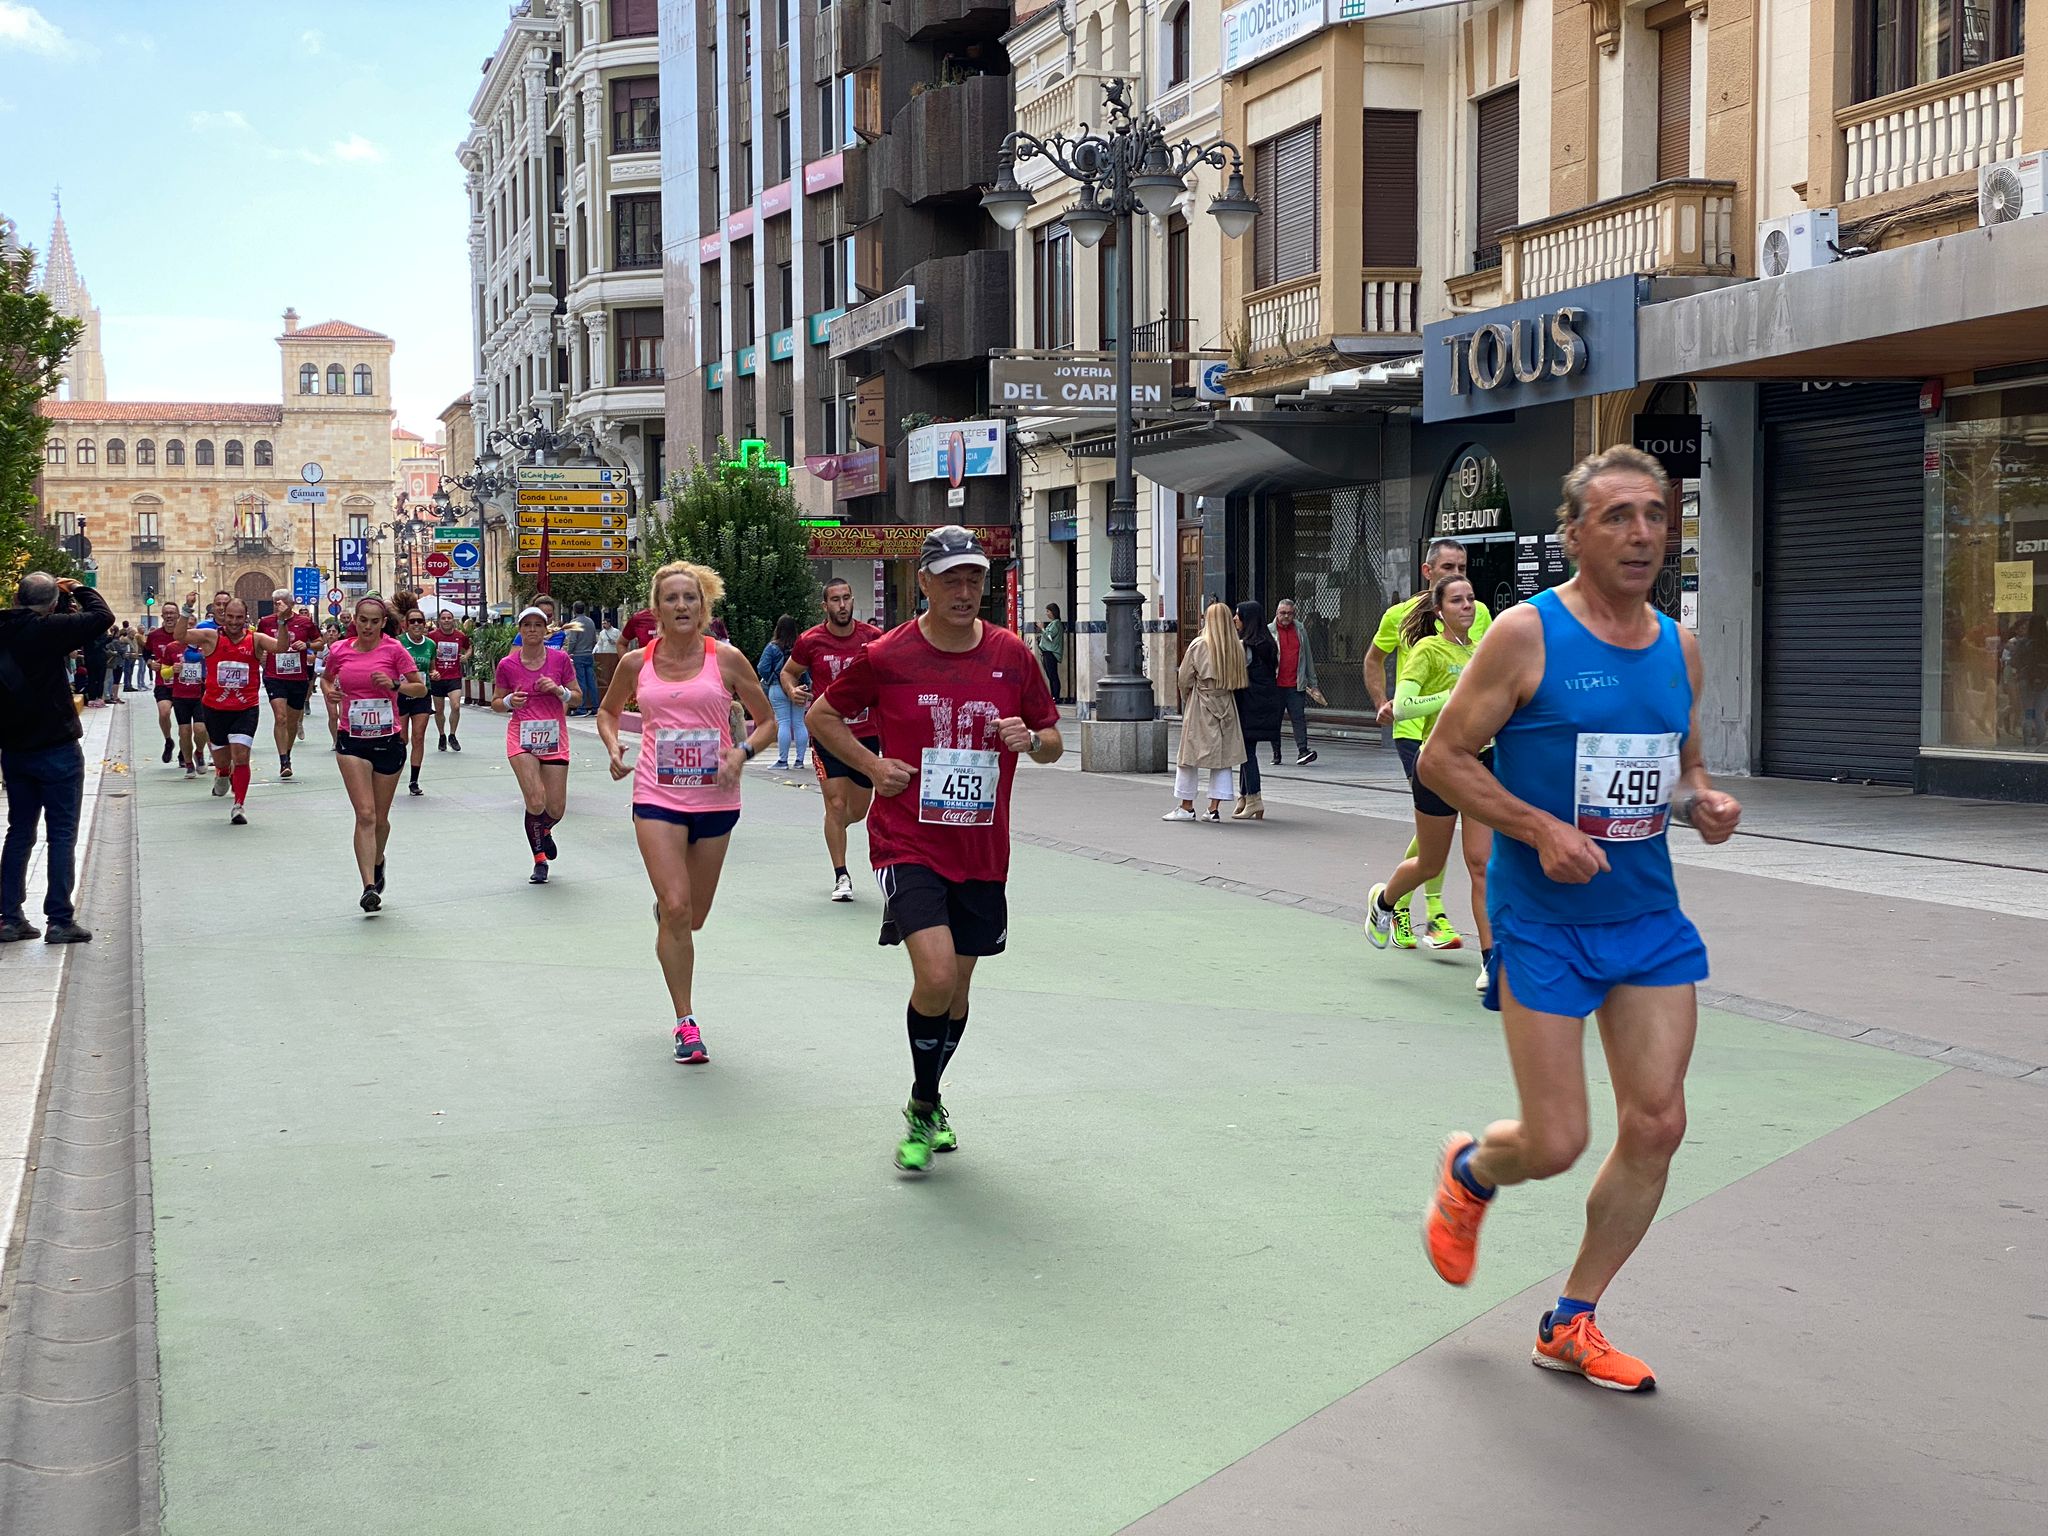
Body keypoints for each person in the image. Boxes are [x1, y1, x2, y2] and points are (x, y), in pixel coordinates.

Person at [1417, 447, 1742, 1394]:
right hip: (1544, 918)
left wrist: (1701, 803)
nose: (1642, 533)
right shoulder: (1525, 635)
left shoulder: (1678, 645)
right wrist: (1537, 826)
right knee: (1555, 1143)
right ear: (1574, 535)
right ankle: (1474, 1168)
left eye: (1653, 514)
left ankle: (1572, 1320)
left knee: (1658, 1122)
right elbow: (1443, 759)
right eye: (1617, 517)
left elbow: (1682, 767)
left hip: (1645, 914)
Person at [806, 526, 1061, 1171]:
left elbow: (1054, 737)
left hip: (982, 846)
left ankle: (929, 1100)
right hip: (907, 837)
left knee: (959, 992)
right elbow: (821, 717)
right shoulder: (889, 654)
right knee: (936, 974)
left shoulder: (1012, 655)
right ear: (922, 582)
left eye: (974, 577)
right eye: (950, 577)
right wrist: (872, 765)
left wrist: (1029, 740)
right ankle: (923, 1104)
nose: (964, 590)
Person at [598, 563, 776, 1062]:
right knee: (677, 907)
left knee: (692, 917)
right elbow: (608, 711)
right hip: (656, 793)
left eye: (689, 599)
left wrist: (741, 754)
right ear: (656, 609)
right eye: (671, 599)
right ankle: (686, 1020)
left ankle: (670, 913)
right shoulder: (637, 663)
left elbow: (766, 724)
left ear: (703, 608)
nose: (681, 606)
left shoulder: (729, 659)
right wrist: (614, 746)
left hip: (717, 798)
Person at [1363, 572, 1495, 981]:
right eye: (1457, 600)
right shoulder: (1428, 650)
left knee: (1481, 865)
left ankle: (1493, 961)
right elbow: (1403, 707)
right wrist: (1450, 697)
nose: (1467, 606)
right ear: (1439, 611)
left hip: (1480, 764)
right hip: (1437, 764)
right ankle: (1384, 902)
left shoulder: (1483, 653)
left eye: (1471, 598)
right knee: (1429, 862)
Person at [0, 572, 113, 944]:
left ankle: (9, 916)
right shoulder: (48, 629)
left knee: (19, 831)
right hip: (56, 747)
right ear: (51, 604)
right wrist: (78, 587)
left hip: (15, 749)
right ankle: (59, 919)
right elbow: (101, 617)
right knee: (62, 833)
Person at [322, 595, 428, 912]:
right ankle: (369, 886)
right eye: (362, 620)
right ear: (355, 620)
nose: (367, 626)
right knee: (365, 814)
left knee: (380, 819)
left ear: (383, 623)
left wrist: (395, 685)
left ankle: (378, 859)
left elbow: (419, 688)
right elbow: (326, 679)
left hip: (387, 739)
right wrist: (332, 692)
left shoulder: (394, 650)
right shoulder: (340, 649)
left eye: (374, 621)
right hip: (351, 739)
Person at [783, 577, 883, 902]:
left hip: (865, 735)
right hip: (827, 734)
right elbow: (788, 671)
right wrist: (792, 689)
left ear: (853, 601)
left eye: (846, 598)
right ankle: (842, 875)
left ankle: (835, 824)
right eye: (835, 600)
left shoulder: (873, 639)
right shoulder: (810, 641)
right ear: (825, 605)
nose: (842, 605)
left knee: (857, 810)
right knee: (836, 803)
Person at [174, 598, 306, 825]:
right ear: (223, 616)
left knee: (242, 756)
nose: (234, 622)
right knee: (223, 761)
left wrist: (283, 622)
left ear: (246, 617)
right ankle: (223, 773)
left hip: (246, 708)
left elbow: (281, 647)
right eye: (230, 617)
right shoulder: (210, 637)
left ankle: (239, 805)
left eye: (239, 617)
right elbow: (180, 636)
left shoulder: (255, 639)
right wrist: (186, 610)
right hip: (215, 708)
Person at [494, 606, 582, 884]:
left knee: (555, 809)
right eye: (526, 625)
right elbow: (497, 702)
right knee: (535, 799)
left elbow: (578, 698)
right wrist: (509, 702)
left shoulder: (560, 660)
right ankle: (539, 861)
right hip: (521, 737)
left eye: (537, 625)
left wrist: (559, 691)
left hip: (554, 737)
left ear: (546, 631)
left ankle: (544, 831)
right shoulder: (507, 664)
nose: (532, 630)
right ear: (520, 631)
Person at [1163, 602, 1246, 823]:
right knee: (1222, 758)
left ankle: (1186, 807)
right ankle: (1213, 809)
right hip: (1226, 704)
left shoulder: (1199, 645)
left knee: (1189, 756)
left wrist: (1187, 696)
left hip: (1201, 703)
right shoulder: (1236, 647)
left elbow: (1184, 678)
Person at [259, 589, 322, 780]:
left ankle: (288, 751)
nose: (278, 605)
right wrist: (260, 656)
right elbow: (258, 643)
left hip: (298, 677)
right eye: (275, 602)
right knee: (281, 718)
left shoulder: (304, 623)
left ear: (291, 603)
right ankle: (283, 760)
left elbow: (320, 642)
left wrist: (307, 645)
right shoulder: (265, 622)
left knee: (292, 721)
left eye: (282, 602)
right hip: (274, 676)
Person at [1232, 600, 1281, 822]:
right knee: (1246, 750)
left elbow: (1238, 675)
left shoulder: (1247, 646)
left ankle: (1254, 799)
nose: (1235, 619)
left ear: (1247, 619)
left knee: (1247, 753)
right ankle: (1244, 797)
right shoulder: (1269, 643)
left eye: (1238, 615)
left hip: (1249, 704)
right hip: (1265, 703)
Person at [1270, 599, 1324, 765]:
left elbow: (1307, 657)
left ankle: (1303, 751)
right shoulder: (1269, 631)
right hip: (1276, 685)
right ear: (1277, 613)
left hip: (1296, 684)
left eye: (1289, 613)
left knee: (1299, 718)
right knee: (1274, 720)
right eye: (1282, 613)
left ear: (1294, 614)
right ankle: (1276, 754)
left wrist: (1313, 684)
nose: (1286, 616)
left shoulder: (1300, 629)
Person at [394, 610, 439, 795]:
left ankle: (414, 781)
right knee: (402, 739)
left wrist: (435, 674)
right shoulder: (398, 643)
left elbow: (432, 668)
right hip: (402, 694)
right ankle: (392, 773)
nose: (417, 624)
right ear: (406, 624)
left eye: (420, 621)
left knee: (418, 736)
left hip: (422, 694)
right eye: (413, 621)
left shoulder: (430, 644)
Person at [757, 615, 807, 769]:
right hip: (799, 687)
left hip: (778, 687)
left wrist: (772, 677)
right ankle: (799, 760)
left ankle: (783, 761)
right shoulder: (801, 645)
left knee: (783, 722)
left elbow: (762, 668)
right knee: (799, 722)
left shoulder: (772, 647)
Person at [168, 603, 211, 778]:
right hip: (180, 694)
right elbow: (164, 670)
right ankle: (188, 764)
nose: (189, 629)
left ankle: (199, 752)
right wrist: (172, 669)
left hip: (200, 693)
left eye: (192, 626)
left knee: (201, 729)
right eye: (185, 625)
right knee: (184, 732)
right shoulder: (172, 647)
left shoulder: (205, 646)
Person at [144, 611, 185, 765]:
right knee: (164, 712)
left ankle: (184, 752)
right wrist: (149, 663)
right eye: (166, 613)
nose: (169, 616)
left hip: (183, 684)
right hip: (163, 682)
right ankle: (168, 741)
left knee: (184, 723)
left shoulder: (185, 634)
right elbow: (146, 652)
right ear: (162, 616)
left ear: (178, 616)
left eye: (172, 613)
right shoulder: (154, 635)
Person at [426, 609, 470, 751]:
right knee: (439, 711)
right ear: (439, 621)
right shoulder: (432, 636)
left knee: (456, 706)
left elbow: (469, 648)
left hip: (454, 676)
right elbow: (426, 650)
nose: (446, 620)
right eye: (443, 618)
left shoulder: (460, 636)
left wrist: (466, 657)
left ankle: (452, 735)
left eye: (449, 618)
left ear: (453, 620)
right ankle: (442, 735)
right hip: (438, 677)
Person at [561, 600, 600, 715]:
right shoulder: (590, 622)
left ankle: (581, 708)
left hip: (578, 655)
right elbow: (594, 639)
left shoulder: (574, 623)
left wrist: (569, 652)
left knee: (581, 682)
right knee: (592, 682)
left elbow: (572, 640)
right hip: (589, 654)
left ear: (574, 610)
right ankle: (595, 707)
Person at [315, 618, 346, 750]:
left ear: (339, 634)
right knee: (333, 714)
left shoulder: (345, 648)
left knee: (343, 714)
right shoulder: (323, 649)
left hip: (343, 682)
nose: (331, 634)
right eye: (329, 631)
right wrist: (330, 670)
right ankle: (335, 740)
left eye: (334, 631)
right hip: (328, 682)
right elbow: (317, 668)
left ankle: (345, 738)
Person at [1035, 602, 1065, 703]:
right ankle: (1053, 696)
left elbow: (1049, 636)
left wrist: (1042, 628)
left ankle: (1056, 696)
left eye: (1048, 611)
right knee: (1050, 675)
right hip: (1047, 652)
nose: (1046, 613)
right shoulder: (1053, 623)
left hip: (1051, 653)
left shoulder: (1056, 624)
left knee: (1053, 675)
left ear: (1053, 612)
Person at [593, 610, 622, 697]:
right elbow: (599, 644)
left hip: (613, 653)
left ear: (609, 623)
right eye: (603, 624)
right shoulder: (602, 633)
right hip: (604, 655)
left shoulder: (616, 632)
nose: (604, 625)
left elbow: (621, 642)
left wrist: (614, 642)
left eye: (605, 623)